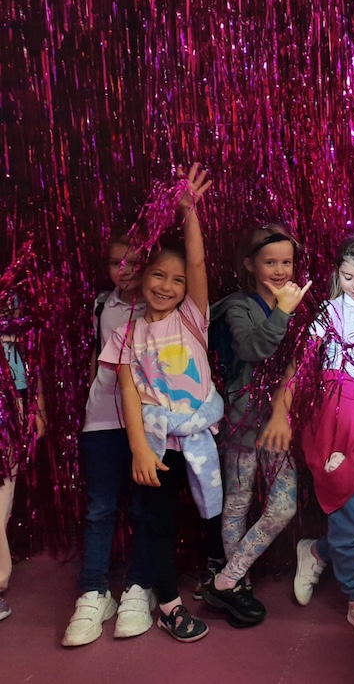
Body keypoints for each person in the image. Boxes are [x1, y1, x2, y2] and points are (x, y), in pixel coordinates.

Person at [100, 163, 222, 642]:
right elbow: (128, 393)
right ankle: (168, 603)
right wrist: (139, 450)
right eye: (158, 275)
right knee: (159, 522)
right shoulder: (126, 332)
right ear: (142, 277)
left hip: (200, 433)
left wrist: (189, 213)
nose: (167, 286)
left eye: (176, 279)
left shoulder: (192, 315)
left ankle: (224, 581)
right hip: (157, 441)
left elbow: (197, 264)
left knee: (214, 514)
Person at [279, 231, 354, 643]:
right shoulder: (328, 313)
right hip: (338, 421)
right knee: (346, 517)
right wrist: (281, 410)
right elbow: (302, 362)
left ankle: (316, 551)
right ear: (337, 274)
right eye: (348, 277)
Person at [199, 224, 311, 627]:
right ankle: (236, 586)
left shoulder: (299, 305)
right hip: (242, 422)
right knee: (238, 503)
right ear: (250, 265)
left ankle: (225, 579)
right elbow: (253, 348)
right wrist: (283, 310)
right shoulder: (238, 307)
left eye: (287, 262)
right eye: (270, 262)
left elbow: (304, 361)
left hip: (280, 422)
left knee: (283, 506)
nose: (280, 271)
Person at [63, 234, 157, 646]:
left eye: (133, 262)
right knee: (100, 507)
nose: (124, 271)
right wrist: (90, 400)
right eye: (116, 263)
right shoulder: (102, 305)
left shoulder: (159, 303)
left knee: (142, 506)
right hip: (102, 419)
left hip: (149, 420)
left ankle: (140, 585)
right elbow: (96, 355)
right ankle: (94, 591)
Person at [1, 294, 46, 623]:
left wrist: (38, 410)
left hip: (10, 413)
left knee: (2, 498)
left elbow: (32, 370)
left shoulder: (18, 329)